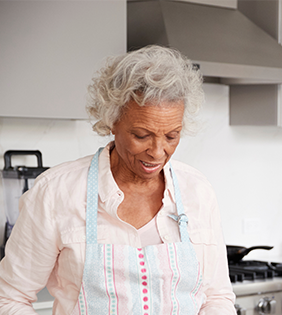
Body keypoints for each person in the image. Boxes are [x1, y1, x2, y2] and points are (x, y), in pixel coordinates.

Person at [0, 45, 236, 314]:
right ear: (112, 121)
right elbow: (10, 298)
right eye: (141, 135)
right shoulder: (56, 192)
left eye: (172, 136)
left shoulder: (197, 191)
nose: (158, 152)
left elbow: (217, 297)